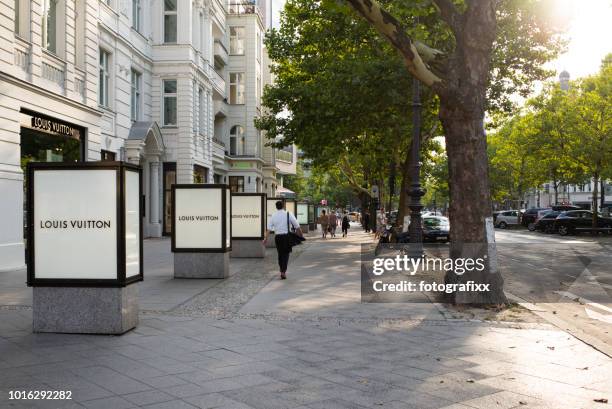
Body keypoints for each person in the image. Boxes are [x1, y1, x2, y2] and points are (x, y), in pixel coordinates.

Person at [264, 201, 303, 280]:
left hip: (277, 237)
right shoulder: (288, 214)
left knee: (280, 254)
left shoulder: (273, 216)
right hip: (286, 237)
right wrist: (301, 235)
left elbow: (268, 229)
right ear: (283, 206)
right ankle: (283, 271)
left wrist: (265, 238)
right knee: (286, 254)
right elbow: (297, 226)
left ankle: (281, 269)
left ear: (276, 207)